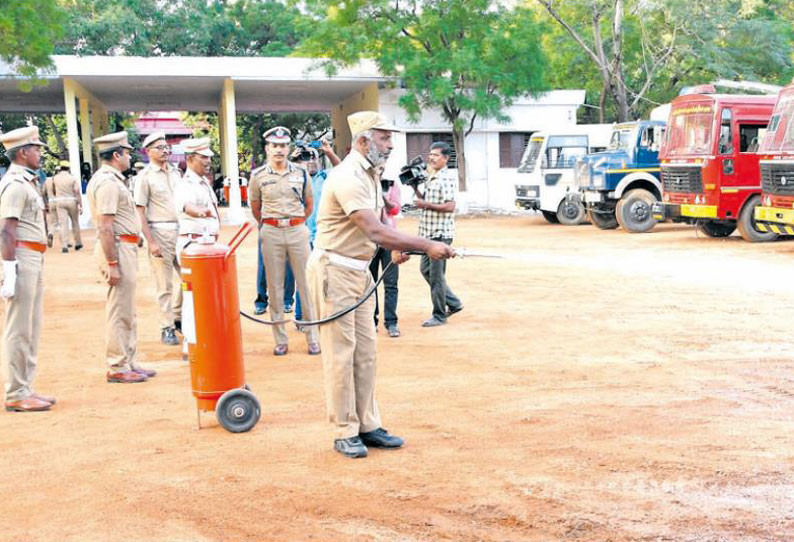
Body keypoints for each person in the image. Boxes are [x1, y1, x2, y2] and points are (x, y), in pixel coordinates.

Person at [306, 111, 455, 458]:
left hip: (359, 271)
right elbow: (374, 230)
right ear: (363, 140)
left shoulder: (371, 174)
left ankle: (367, 424)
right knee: (341, 354)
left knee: (366, 352)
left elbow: (380, 227)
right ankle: (345, 429)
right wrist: (426, 245)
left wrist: (399, 247)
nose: (390, 145)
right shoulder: (347, 176)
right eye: (385, 138)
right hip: (335, 271)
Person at [86, 131, 155, 384]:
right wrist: (113, 263)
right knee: (119, 310)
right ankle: (117, 365)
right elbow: (105, 226)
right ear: (116, 155)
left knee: (128, 310)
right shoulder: (108, 182)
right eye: (126, 152)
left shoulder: (114, 180)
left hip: (125, 246)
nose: (129, 157)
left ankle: (128, 360)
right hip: (116, 248)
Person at [250, 126, 320, 356]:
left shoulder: (301, 173)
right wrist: (273, 224)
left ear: (288, 148)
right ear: (267, 148)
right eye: (274, 145)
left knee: (306, 284)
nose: (279, 150)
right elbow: (256, 208)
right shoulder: (258, 176)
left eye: (283, 145)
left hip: (297, 230)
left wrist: (295, 222)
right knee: (275, 286)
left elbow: (309, 204)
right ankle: (280, 339)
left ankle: (312, 337)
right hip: (271, 232)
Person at [0, 126, 56, 411]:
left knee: (31, 328)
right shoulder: (14, 184)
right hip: (20, 257)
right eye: (36, 148)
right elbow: (6, 231)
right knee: (18, 328)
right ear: (23, 152)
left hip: (33, 256)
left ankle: (26, 387)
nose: (40, 153)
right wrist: (8, 270)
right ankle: (16, 392)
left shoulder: (27, 182)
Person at [134, 132, 182, 346]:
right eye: (159, 148)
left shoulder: (177, 173)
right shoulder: (144, 177)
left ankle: (178, 316)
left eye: (166, 147)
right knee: (164, 284)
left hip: (181, 231)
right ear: (148, 151)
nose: (165, 151)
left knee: (190, 279)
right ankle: (167, 326)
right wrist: (150, 241)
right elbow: (140, 211)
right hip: (159, 231)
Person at [414, 142, 463, 327]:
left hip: (440, 234)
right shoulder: (430, 176)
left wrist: (426, 205)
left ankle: (440, 315)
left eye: (435, 155)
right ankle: (454, 303)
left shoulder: (446, 178)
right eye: (430, 154)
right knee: (425, 270)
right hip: (428, 233)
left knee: (436, 276)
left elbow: (450, 206)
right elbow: (425, 200)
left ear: (445, 158)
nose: (431, 157)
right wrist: (415, 189)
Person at [174, 138, 221, 257]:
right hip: (193, 244)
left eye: (209, 157)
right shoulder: (185, 184)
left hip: (205, 244)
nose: (209, 161)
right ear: (190, 159)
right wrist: (200, 212)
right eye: (204, 157)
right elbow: (188, 207)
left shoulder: (204, 182)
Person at [369, 178, 402, 337]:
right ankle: (371, 321)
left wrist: (383, 198)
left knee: (391, 283)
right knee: (370, 283)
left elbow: (395, 210)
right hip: (370, 240)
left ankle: (391, 322)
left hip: (389, 240)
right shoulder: (363, 183)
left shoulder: (391, 184)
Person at [51, 160, 83, 253]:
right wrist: (80, 204)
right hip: (72, 200)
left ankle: (64, 245)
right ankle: (78, 243)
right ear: (69, 168)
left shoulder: (55, 178)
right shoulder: (72, 178)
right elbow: (77, 191)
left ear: (60, 168)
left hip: (60, 201)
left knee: (63, 224)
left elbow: (53, 190)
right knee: (75, 222)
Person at [41, 173, 58, 248]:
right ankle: (65, 242)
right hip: (61, 201)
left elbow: (43, 193)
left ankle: (50, 233)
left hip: (51, 202)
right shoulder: (61, 179)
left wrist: (45, 203)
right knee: (63, 223)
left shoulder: (46, 181)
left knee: (52, 222)